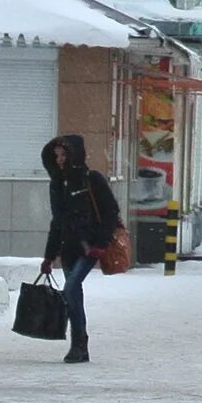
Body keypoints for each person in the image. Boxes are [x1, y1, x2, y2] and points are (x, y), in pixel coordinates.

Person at [40, 135, 121, 363]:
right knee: (74, 294)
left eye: (64, 155)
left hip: (89, 247)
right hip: (68, 247)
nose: (60, 160)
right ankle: (79, 345)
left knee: (71, 288)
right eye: (56, 156)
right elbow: (57, 221)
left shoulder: (91, 179)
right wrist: (49, 256)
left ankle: (79, 341)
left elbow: (110, 212)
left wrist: (101, 243)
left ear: (74, 155)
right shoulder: (57, 183)